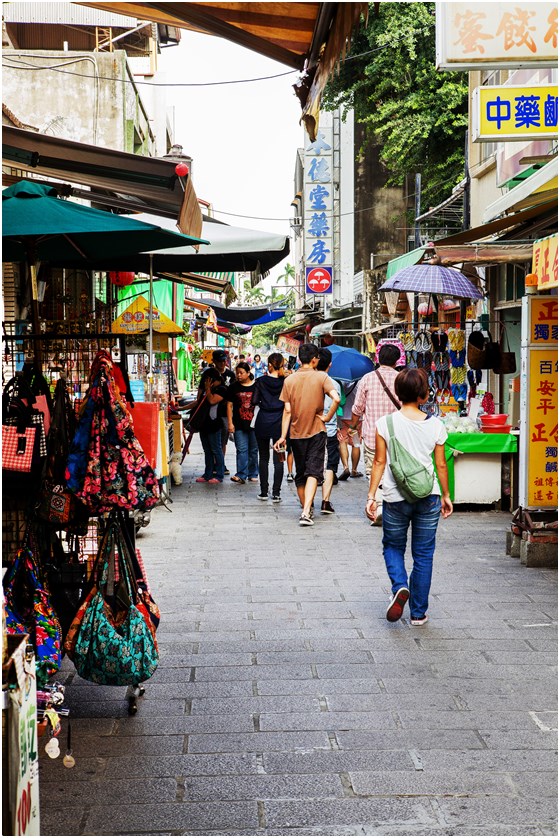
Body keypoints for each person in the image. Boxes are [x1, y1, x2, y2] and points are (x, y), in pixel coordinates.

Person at [365, 368, 453, 626]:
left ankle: (400, 586)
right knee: (424, 554)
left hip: (395, 496)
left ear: (397, 392)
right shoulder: (436, 425)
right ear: (424, 395)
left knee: (393, 546)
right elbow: (441, 465)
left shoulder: (386, 423)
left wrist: (371, 495)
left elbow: (379, 462)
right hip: (429, 496)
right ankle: (418, 613)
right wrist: (446, 495)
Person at [274, 343, 340, 527]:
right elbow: (336, 398)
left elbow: (287, 411)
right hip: (317, 431)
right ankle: (305, 511)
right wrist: (327, 417)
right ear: (314, 359)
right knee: (314, 471)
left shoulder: (289, 380)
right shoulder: (322, 376)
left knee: (301, 474)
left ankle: (306, 507)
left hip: (296, 434)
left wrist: (282, 435)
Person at [350, 344, 401, 524]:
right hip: (396, 436)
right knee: (394, 471)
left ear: (378, 358)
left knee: (374, 472)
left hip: (372, 435)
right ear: (397, 360)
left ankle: (378, 505)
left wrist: (353, 426)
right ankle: (391, 507)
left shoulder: (367, 379)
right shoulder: (401, 379)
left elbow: (358, 407)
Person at [252, 352, 286, 502]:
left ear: (270, 365)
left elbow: (254, 401)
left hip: (263, 420)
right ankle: (276, 493)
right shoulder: (286, 382)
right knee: (279, 458)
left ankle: (264, 492)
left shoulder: (260, 381)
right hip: (281, 421)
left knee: (263, 457)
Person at [198, 349, 235, 474]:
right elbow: (200, 392)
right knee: (210, 444)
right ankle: (214, 467)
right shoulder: (208, 374)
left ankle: (220, 465)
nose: (222, 363)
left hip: (224, 413)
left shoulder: (231, 375)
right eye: (219, 361)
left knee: (222, 441)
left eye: (224, 360)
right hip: (208, 414)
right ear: (213, 361)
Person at [317, 348, 341, 515]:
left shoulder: (307, 381)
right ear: (330, 365)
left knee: (310, 466)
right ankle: (325, 501)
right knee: (330, 466)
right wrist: (328, 418)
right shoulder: (335, 384)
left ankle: (307, 501)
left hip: (310, 430)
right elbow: (337, 403)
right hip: (330, 431)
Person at [227, 361, 259, 484]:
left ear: (248, 373)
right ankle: (241, 474)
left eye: (241, 373)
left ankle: (253, 473)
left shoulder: (256, 386)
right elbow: (229, 406)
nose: (239, 375)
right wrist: (230, 423)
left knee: (253, 449)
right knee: (241, 449)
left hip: (254, 423)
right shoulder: (233, 387)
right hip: (239, 423)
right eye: (237, 373)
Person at [195, 368, 228, 484]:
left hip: (215, 424)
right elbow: (198, 402)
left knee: (216, 449)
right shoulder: (206, 389)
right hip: (204, 424)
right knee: (207, 450)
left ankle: (219, 475)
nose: (205, 382)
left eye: (207, 380)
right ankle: (207, 474)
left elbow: (212, 401)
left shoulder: (222, 389)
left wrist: (208, 388)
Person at [337, 382, 363, 481]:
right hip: (356, 417)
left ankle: (345, 467)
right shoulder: (360, 382)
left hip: (342, 415)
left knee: (342, 441)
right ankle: (354, 470)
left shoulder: (340, 382)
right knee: (355, 443)